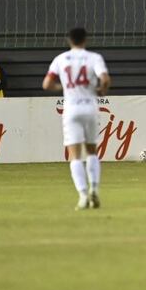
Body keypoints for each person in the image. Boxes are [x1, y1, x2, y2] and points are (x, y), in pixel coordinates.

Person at [42, 28, 110, 210]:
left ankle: (82, 195)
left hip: (71, 109)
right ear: (85, 40)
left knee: (74, 155)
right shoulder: (94, 58)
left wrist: (64, 87)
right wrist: (101, 90)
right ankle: (94, 188)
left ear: (69, 40)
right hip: (90, 107)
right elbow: (105, 79)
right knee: (92, 151)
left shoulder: (60, 59)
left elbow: (46, 84)